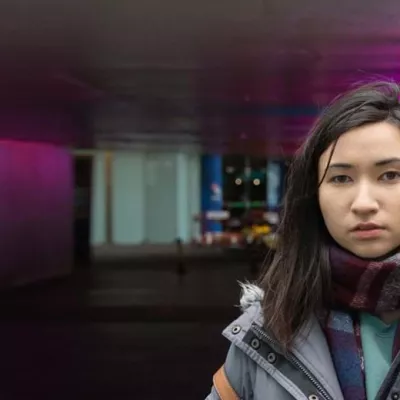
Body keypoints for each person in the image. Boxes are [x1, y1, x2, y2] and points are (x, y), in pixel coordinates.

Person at [206, 81, 400, 400]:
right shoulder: (266, 330)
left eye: (390, 175)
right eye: (340, 178)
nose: (364, 202)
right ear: (313, 196)